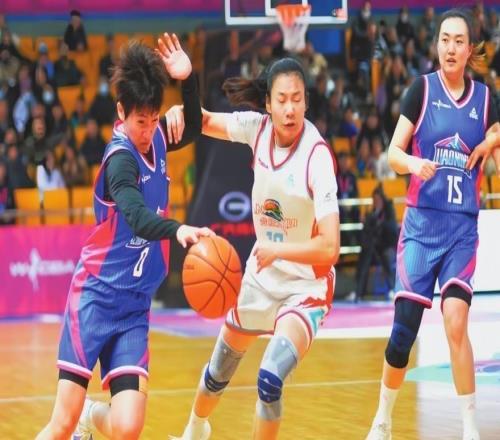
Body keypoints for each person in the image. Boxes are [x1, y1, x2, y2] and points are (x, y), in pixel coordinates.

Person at [36, 34, 211, 440]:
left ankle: (90, 416)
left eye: (153, 119)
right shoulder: (119, 160)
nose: (148, 131)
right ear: (121, 112)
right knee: (61, 424)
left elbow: (194, 126)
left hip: (134, 306)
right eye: (140, 122)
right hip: (96, 297)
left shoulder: (157, 136)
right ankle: (78, 419)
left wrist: (188, 80)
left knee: (128, 427)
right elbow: (135, 217)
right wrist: (179, 229)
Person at [165, 57, 340, 440]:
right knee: (217, 373)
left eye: (297, 99)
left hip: (305, 289)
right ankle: (194, 430)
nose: (290, 109)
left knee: (269, 379)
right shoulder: (257, 129)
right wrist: (181, 107)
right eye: (282, 99)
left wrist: (282, 250)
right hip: (262, 279)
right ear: (268, 104)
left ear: (306, 102)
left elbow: (330, 247)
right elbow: (203, 121)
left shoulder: (317, 157)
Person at [366, 9, 500, 440]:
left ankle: (469, 428)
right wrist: (413, 163)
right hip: (421, 228)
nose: (450, 48)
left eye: (459, 41)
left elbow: (498, 141)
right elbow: (392, 153)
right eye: (444, 39)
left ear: (470, 49)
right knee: (403, 332)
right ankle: (383, 419)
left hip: (461, 230)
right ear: (437, 44)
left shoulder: (486, 98)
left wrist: (493, 141)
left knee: (456, 322)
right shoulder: (420, 90)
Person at [351, 185, 398, 302]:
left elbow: (393, 229)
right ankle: (358, 292)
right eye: (374, 200)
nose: (376, 202)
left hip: (386, 246)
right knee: (364, 258)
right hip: (373, 247)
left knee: (386, 256)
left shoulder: (388, 211)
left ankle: (393, 289)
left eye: (378, 199)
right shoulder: (372, 213)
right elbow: (368, 232)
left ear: (382, 199)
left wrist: (380, 223)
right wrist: (366, 221)